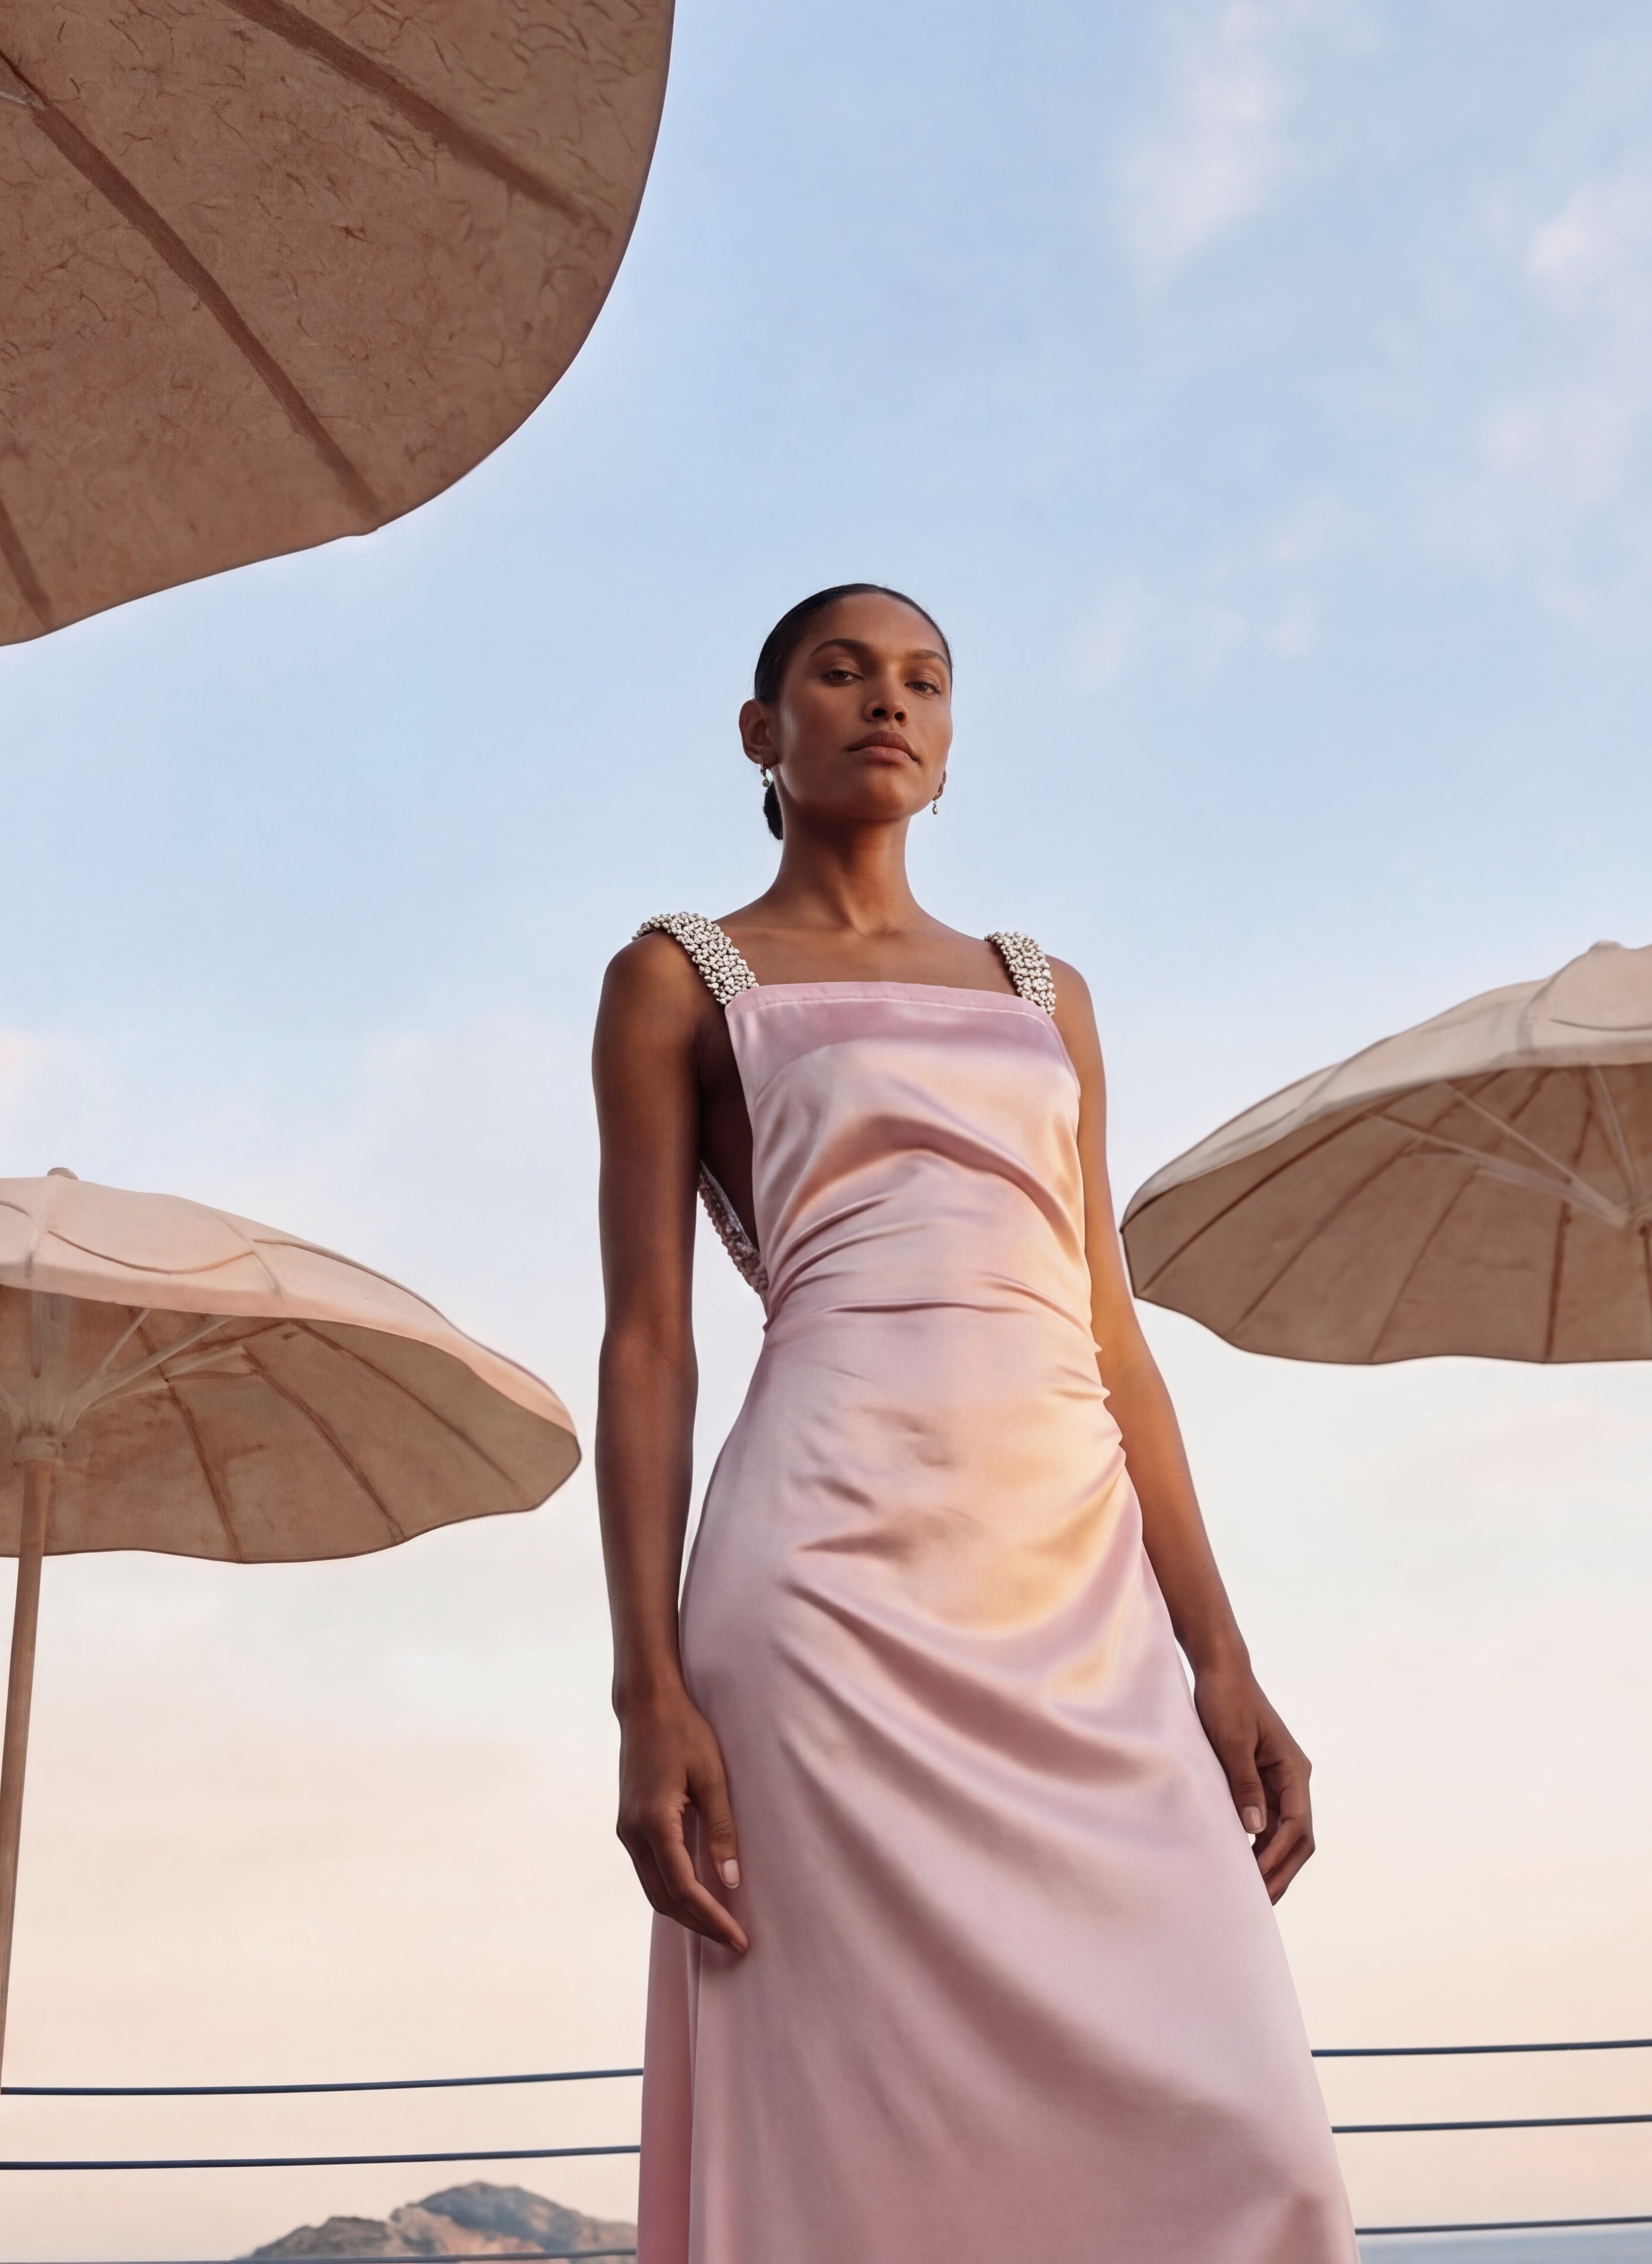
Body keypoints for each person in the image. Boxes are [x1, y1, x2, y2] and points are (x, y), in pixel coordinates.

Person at [592, 584, 1357, 2262]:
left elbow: (1111, 1333)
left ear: (950, 745)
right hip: (822, 1581)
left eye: (926, 681)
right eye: (842, 673)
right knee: (846, 2124)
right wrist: (647, 1685)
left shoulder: (1044, 986)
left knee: (1247, 2129)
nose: (890, 702)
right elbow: (651, 1345)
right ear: (761, 731)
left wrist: (1220, 1653)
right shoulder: (672, 979)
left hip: (1075, 1588)